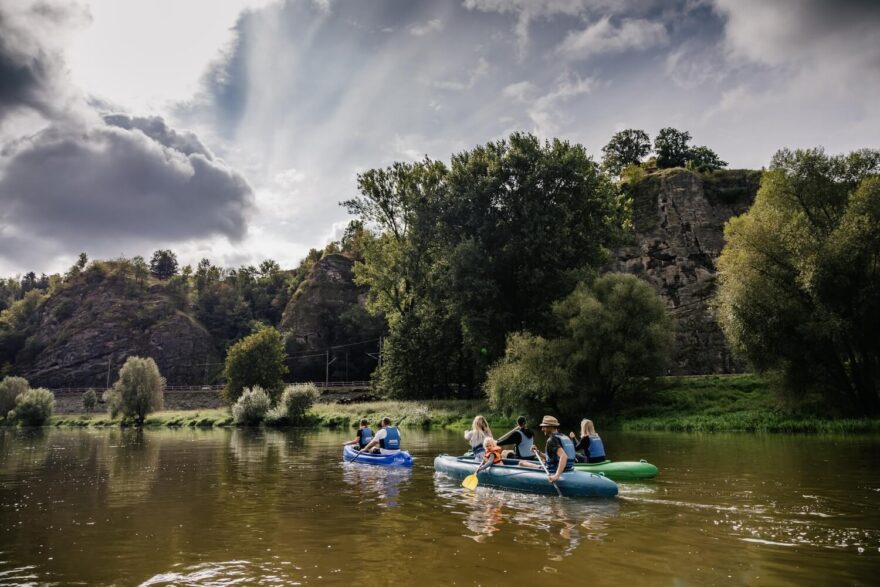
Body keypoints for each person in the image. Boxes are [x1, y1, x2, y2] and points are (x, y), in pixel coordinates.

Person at [533, 415, 576, 484]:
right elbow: (551, 457)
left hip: (553, 469)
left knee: (522, 463)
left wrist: (557, 475)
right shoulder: (563, 436)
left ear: (550, 427)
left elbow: (563, 456)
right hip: (568, 468)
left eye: (544, 427)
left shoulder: (551, 440)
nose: (542, 429)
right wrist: (538, 452)